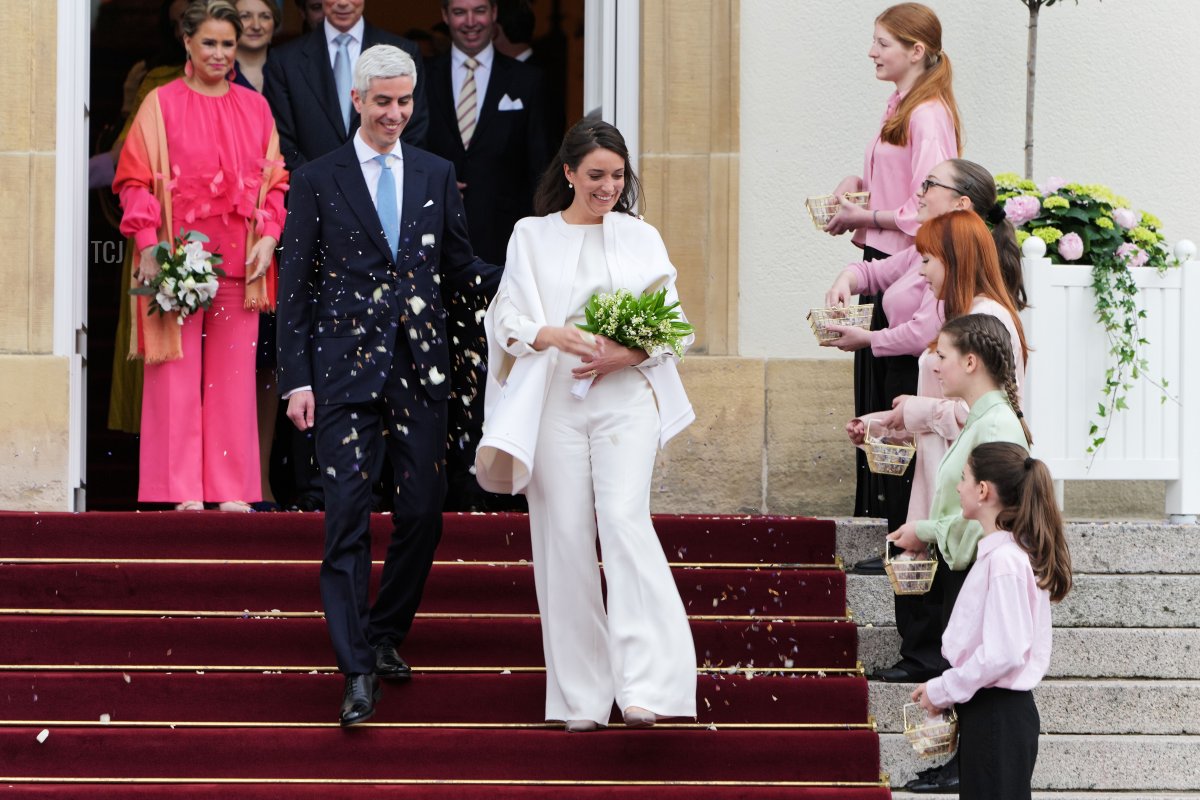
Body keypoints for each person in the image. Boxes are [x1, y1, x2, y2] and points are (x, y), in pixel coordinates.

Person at [275, 44, 500, 726]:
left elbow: (460, 269)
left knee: (423, 514)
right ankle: (356, 669)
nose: (395, 114)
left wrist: (540, 269)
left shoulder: (436, 172)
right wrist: (296, 382)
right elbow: (296, 288)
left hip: (421, 370)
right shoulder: (318, 178)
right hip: (342, 374)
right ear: (357, 101)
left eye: (404, 102)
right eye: (382, 102)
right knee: (345, 518)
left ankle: (384, 633)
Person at [476, 120, 698, 732]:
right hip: (553, 402)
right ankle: (581, 697)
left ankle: (646, 687)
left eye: (618, 176)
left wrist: (623, 354)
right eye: (595, 175)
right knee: (565, 537)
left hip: (625, 397)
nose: (607, 186)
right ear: (569, 173)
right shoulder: (531, 235)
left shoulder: (641, 236)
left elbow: (676, 326)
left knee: (623, 522)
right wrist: (549, 334)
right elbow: (505, 320)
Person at [829, 162, 1027, 688]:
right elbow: (943, 405)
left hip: (967, 494)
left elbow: (990, 415)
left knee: (959, 624)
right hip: (941, 479)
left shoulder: (988, 321)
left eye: (928, 260)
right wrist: (886, 422)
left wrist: (913, 414)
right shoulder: (961, 313)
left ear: (955, 259)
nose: (920, 271)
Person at [113, 0, 288, 512]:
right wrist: (148, 245)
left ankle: (232, 491)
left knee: (235, 382)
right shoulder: (159, 103)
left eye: (227, 44)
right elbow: (132, 180)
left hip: (241, 264)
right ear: (187, 42)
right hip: (176, 265)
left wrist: (269, 235)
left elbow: (275, 181)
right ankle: (181, 492)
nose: (219, 53)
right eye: (208, 42)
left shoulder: (255, 107)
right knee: (174, 378)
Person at [825, 2, 962, 537]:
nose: (872, 51)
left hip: (903, 265)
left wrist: (867, 215)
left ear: (916, 51)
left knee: (893, 401)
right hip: (885, 262)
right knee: (878, 400)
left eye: (882, 43)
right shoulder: (903, 102)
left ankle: (900, 532)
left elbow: (926, 205)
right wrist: (851, 186)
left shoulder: (927, 114)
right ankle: (889, 527)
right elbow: (895, 182)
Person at [424, 0, 553, 510]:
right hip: (433, 249)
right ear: (445, 14)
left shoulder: (530, 83)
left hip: (505, 252)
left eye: (480, 10)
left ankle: (501, 477)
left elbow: (543, 173)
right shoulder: (423, 76)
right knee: (440, 364)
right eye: (459, 12)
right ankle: (446, 477)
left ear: (495, 13)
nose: (471, 21)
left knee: (504, 364)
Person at [912, 442, 1072, 800]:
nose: (958, 486)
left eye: (964, 478)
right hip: (991, 714)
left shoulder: (1005, 562)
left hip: (997, 716)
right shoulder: (1005, 556)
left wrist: (943, 689)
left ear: (982, 490)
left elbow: (1004, 652)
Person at [264, 0, 429, 173]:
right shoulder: (285, 60)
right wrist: (319, 186)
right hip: (313, 191)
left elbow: (414, 130)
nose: (343, 3)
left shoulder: (403, 51)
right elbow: (282, 141)